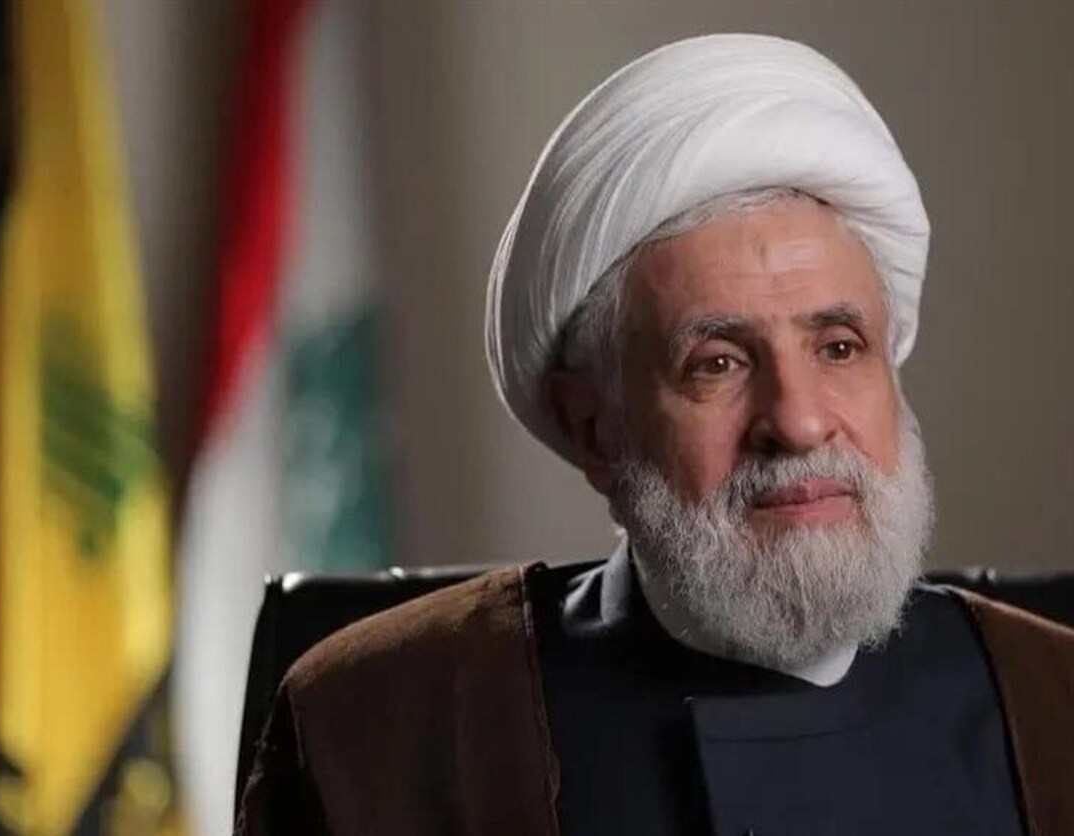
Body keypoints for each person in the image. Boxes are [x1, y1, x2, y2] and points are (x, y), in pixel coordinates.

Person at [236, 34, 1074, 836]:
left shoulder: (1055, 707)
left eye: (839, 348)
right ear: (594, 428)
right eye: (717, 363)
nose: (799, 420)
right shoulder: (379, 731)